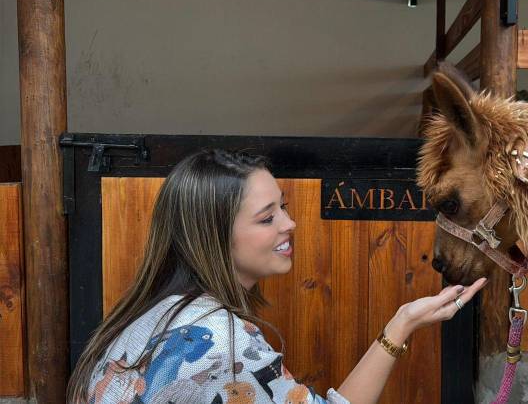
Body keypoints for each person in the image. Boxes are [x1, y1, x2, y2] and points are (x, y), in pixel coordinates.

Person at [67, 148, 487, 404]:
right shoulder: (219, 345)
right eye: (267, 218)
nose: (290, 224)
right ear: (214, 235)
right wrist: (404, 324)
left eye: (282, 207)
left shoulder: (152, 317)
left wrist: (403, 320)